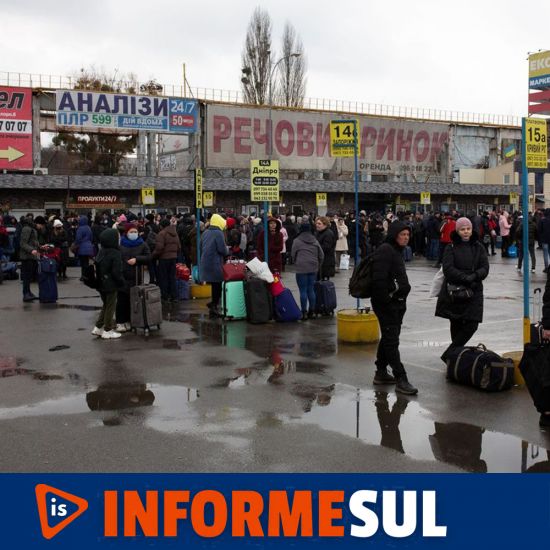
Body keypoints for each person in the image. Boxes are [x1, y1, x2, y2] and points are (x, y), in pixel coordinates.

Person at [370, 221, 418, 395]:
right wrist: (388, 301)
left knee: (389, 337)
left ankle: (381, 372)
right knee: (392, 341)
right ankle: (401, 378)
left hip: (397, 303)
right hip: (387, 304)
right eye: (402, 234)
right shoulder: (386, 250)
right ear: (394, 235)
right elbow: (379, 280)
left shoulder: (397, 250)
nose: (406, 238)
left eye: (407, 234)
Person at [436, 217, 489, 363]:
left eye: (468, 229)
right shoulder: (450, 247)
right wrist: (465, 278)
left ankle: (449, 354)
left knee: (472, 324)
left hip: (474, 290)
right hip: (456, 290)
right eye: (462, 229)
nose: (466, 232)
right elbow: (448, 269)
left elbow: (485, 267)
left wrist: (474, 276)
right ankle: (455, 359)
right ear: (457, 231)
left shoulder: (479, 247)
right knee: (456, 324)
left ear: (472, 230)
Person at [115, 223, 152, 332]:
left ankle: (131, 321)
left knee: (134, 300)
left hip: (137, 276)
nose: (133, 234)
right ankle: (120, 322)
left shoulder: (142, 244)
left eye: (135, 232)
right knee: (122, 300)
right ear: (126, 233)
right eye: (131, 232)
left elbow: (149, 257)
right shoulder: (120, 244)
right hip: (123, 276)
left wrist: (137, 259)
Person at [92, 228, 125, 339]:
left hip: (100, 283)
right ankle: (108, 329)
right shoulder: (115, 253)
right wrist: (121, 282)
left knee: (106, 305)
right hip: (111, 284)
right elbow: (116, 272)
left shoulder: (101, 251)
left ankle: (98, 327)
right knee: (111, 306)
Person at [291, 221, 324, 320]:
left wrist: (296, 262)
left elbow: (293, 254)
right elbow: (321, 255)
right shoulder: (315, 241)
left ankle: (304, 313)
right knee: (311, 289)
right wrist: (318, 265)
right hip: (313, 267)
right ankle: (312, 312)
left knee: (303, 290)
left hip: (301, 267)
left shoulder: (297, 241)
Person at [200, 214, 229, 318]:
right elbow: (222, 250)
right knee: (217, 284)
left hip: (205, 262)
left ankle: (213, 303)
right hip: (215, 263)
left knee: (214, 284)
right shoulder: (218, 233)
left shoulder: (205, 232)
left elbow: (200, 246)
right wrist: (227, 249)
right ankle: (214, 306)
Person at [153, 218, 181, 302]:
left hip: (164, 258)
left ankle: (165, 296)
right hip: (173, 258)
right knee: (172, 277)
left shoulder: (161, 234)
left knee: (163, 278)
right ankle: (174, 296)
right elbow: (179, 247)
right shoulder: (175, 233)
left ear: (161, 226)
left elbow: (159, 248)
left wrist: (153, 255)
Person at [19, 215, 44, 302]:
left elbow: (33, 242)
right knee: (26, 276)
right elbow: (22, 243)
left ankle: (28, 292)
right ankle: (26, 294)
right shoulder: (27, 229)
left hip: (31, 256)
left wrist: (40, 247)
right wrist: (31, 250)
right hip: (26, 257)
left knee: (29, 276)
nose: (42, 227)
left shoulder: (32, 229)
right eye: (41, 225)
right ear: (38, 223)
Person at [74, 215, 95, 280]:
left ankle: (83, 276)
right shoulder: (89, 228)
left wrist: (76, 244)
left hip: (82, 247)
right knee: (86, 262)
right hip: (89, 247)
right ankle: (86, 275)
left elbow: (78, 239)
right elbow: (91, 238)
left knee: (83, 263)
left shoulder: (80, 229)